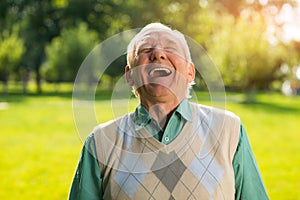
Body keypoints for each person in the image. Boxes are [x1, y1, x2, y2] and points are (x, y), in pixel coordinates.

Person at [69, 22, 269, 200]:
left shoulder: (229, 131)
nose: (158, 54)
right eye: (146, 50)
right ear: (129, 76)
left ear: (190, 72)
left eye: (170, 48)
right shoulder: (100, 142)